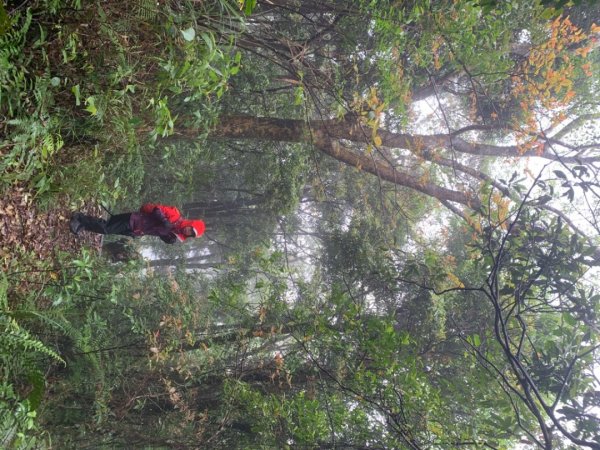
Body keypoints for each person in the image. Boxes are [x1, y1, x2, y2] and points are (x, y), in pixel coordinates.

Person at [70, 203, 205, 244]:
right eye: (191, 229)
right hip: (134, 220)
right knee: (106, 229)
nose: (188, 232)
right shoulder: (175, 216)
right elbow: (157, 210)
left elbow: (157, 232)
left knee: (108, 225)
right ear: (190, 224)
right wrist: (165, 222)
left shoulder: (175, 233)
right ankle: (80, 218)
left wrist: (167, 238)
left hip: (135, 230)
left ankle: (84, 225)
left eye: (191, 234)